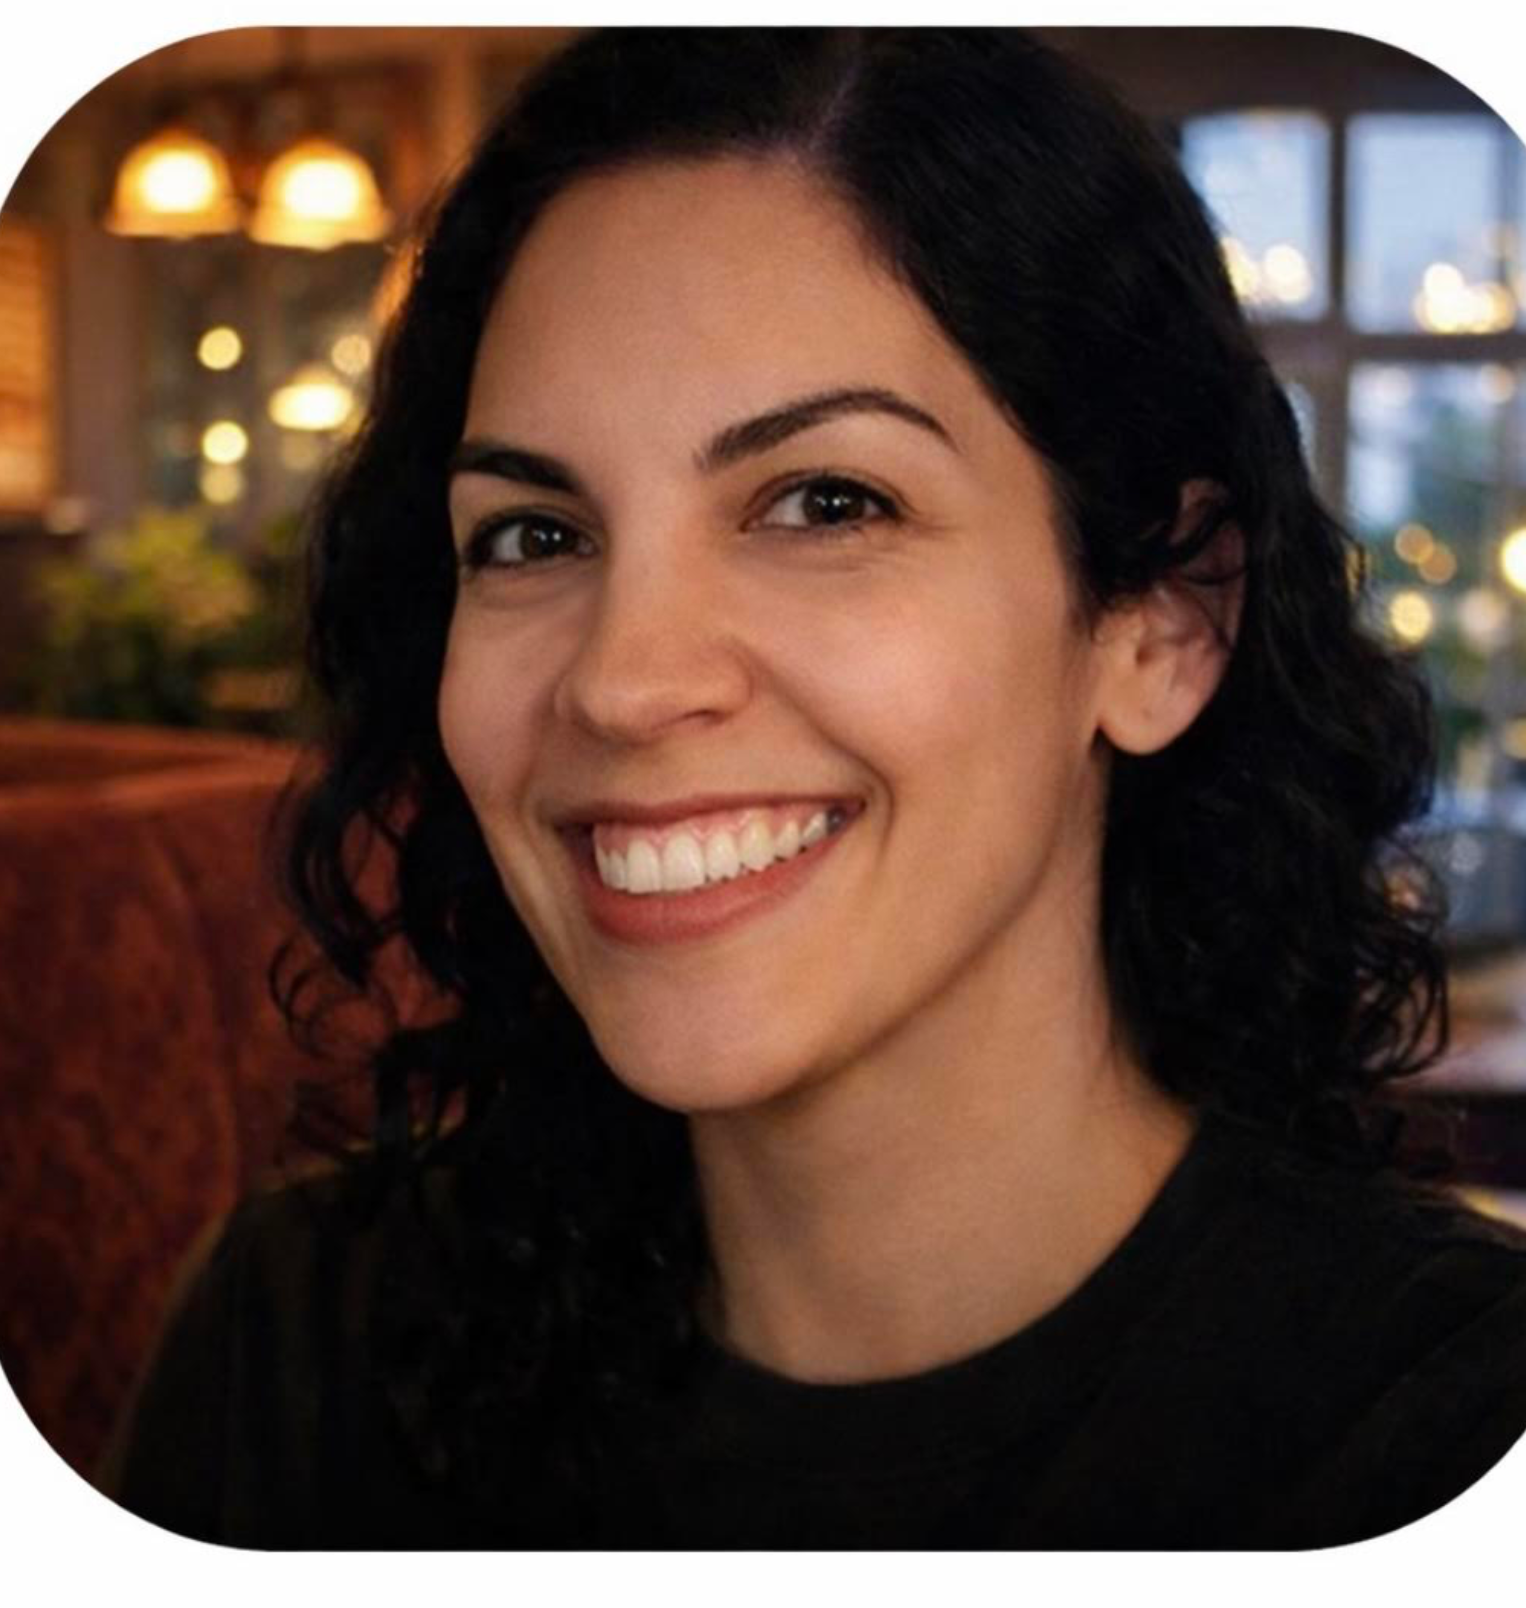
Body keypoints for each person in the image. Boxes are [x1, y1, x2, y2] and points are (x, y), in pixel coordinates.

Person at [105, 26, 1526, 1549]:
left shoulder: (1439, 1436)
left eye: (825, 501)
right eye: (531, 534)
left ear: (1162, 626)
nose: (622, 681)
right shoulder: (299, 1351)